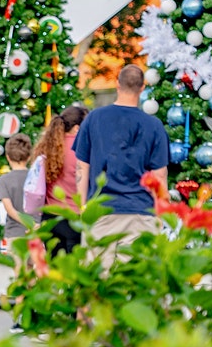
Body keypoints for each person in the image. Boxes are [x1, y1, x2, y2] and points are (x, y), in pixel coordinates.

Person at [75, 64, 169, 265]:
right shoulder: (154, 126)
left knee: (96, 281)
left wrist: (82, 207)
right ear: (142, 88)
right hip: (141, 211)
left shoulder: (94, 118)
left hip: (101, 211)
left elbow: (82, 168)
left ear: (118, 84)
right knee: (138, 282)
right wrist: (160, 214)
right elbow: (159, 176)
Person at [31, 105, 88, 255]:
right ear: (77, 128)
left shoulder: (48, 146)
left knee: (55, 270)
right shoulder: (83, 147)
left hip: (50, 216)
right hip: (75, 216)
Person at [0, 133, 33, 244]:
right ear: (29, 156)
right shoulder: (37, 178)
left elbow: (10, 210)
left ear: (7, 156)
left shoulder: (4, 180)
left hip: (15, 233)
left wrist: (27, 223)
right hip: (36, 232)